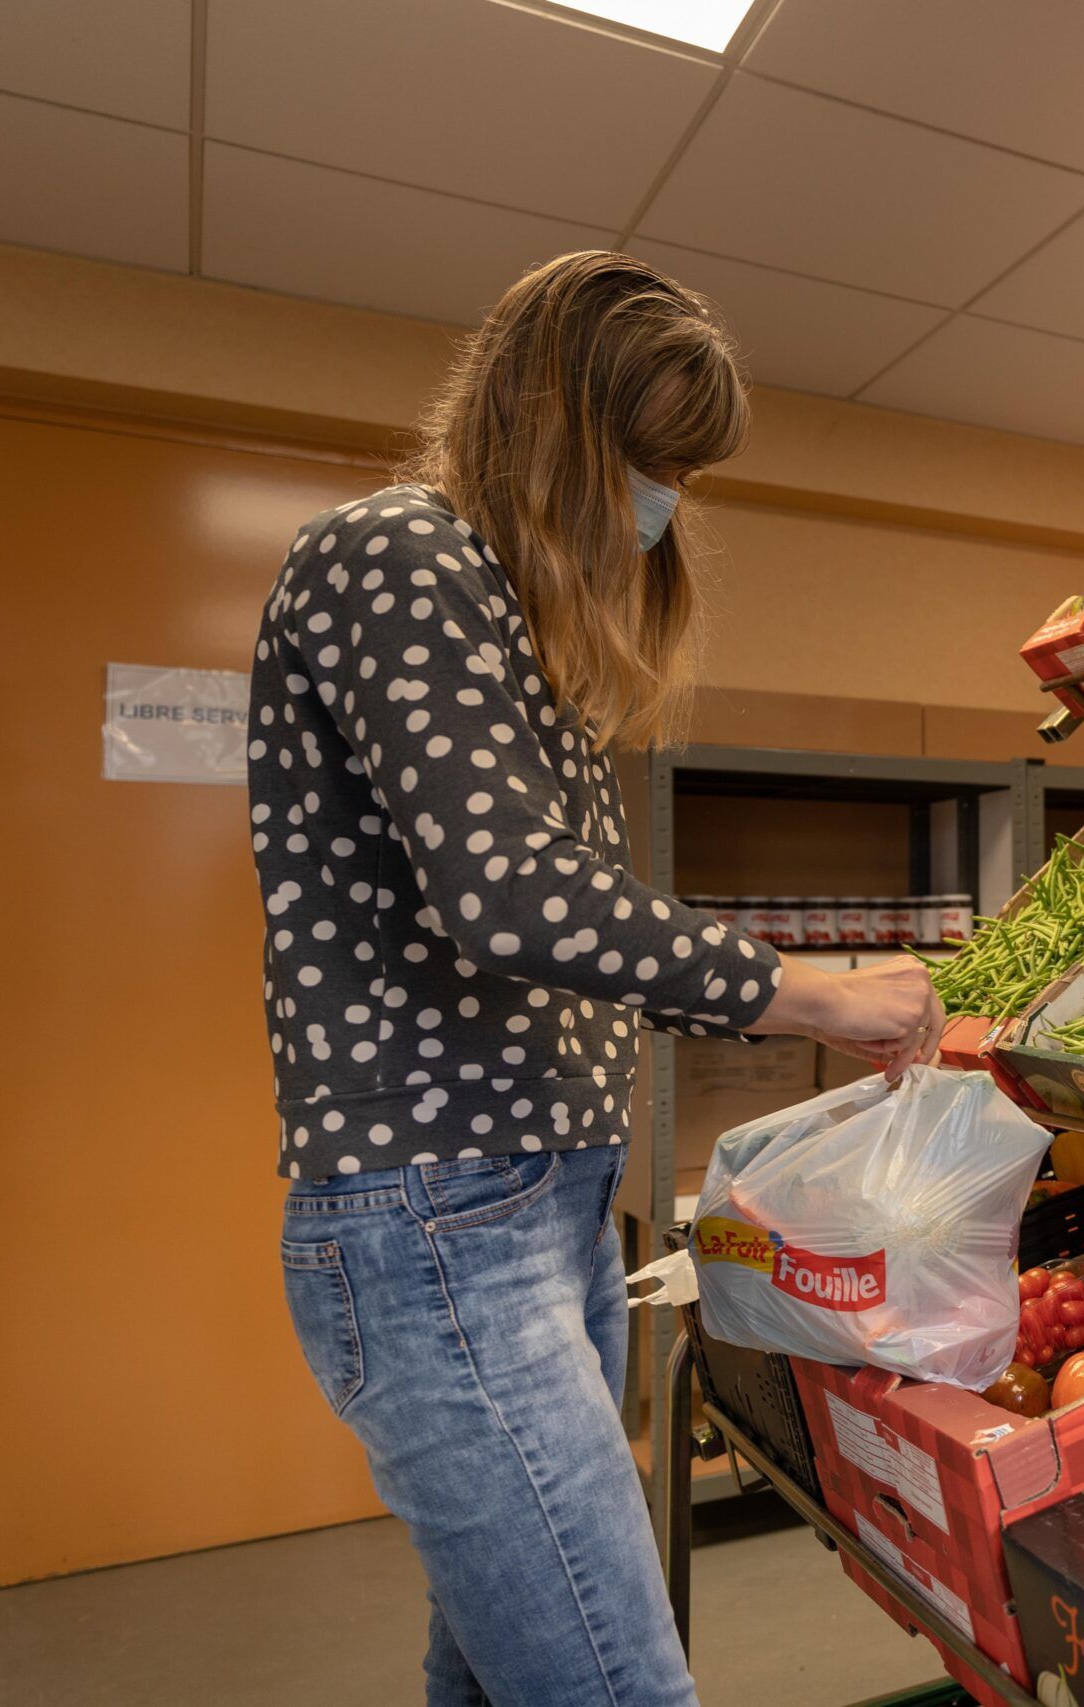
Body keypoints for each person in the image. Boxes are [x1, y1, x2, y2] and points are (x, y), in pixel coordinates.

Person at [247, 251, 942, 1706]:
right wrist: (810, 996)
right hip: (443, 1223)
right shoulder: (401, 556)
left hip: (540, 1210)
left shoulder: (518, 634)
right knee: (618, 1684)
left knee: (501, 1677)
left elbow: (581, 923)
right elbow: (510, 896)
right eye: (645, 457)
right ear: (551, 426)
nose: (661, 500)